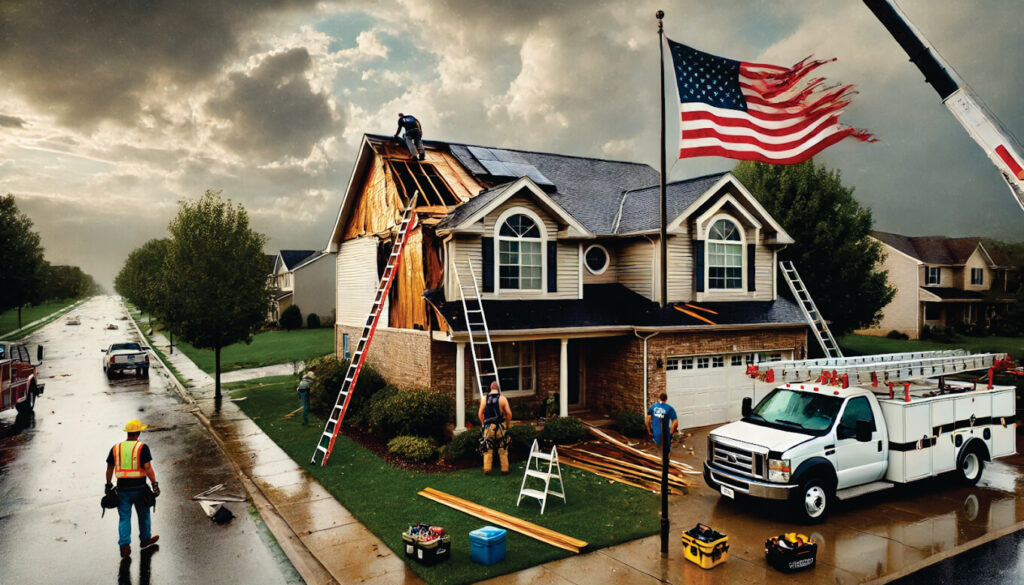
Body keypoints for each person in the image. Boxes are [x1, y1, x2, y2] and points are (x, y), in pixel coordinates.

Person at [105, 419, 160, 559]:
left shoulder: (116, 448)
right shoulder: (142, 447)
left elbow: (110, 467)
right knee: (144, 515)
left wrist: (108, 484)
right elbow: (148, 468)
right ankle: (145, 539)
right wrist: (154, 484)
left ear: (128, 433)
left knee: (124, 517)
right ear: (138, 432)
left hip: (122, 490)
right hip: (140, 489)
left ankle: (124, 546)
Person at [478, 381, 512, 475]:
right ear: (498, 389)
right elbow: (509, 414)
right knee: (503, 448)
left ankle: (487, 468)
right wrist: (508, 425)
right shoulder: (503, 398)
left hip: (488, 427)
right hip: (500, 427)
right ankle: (505, 469)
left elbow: (480, 413)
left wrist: (483, 424)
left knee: (487, 449)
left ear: (490, 388)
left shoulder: (484, 398)